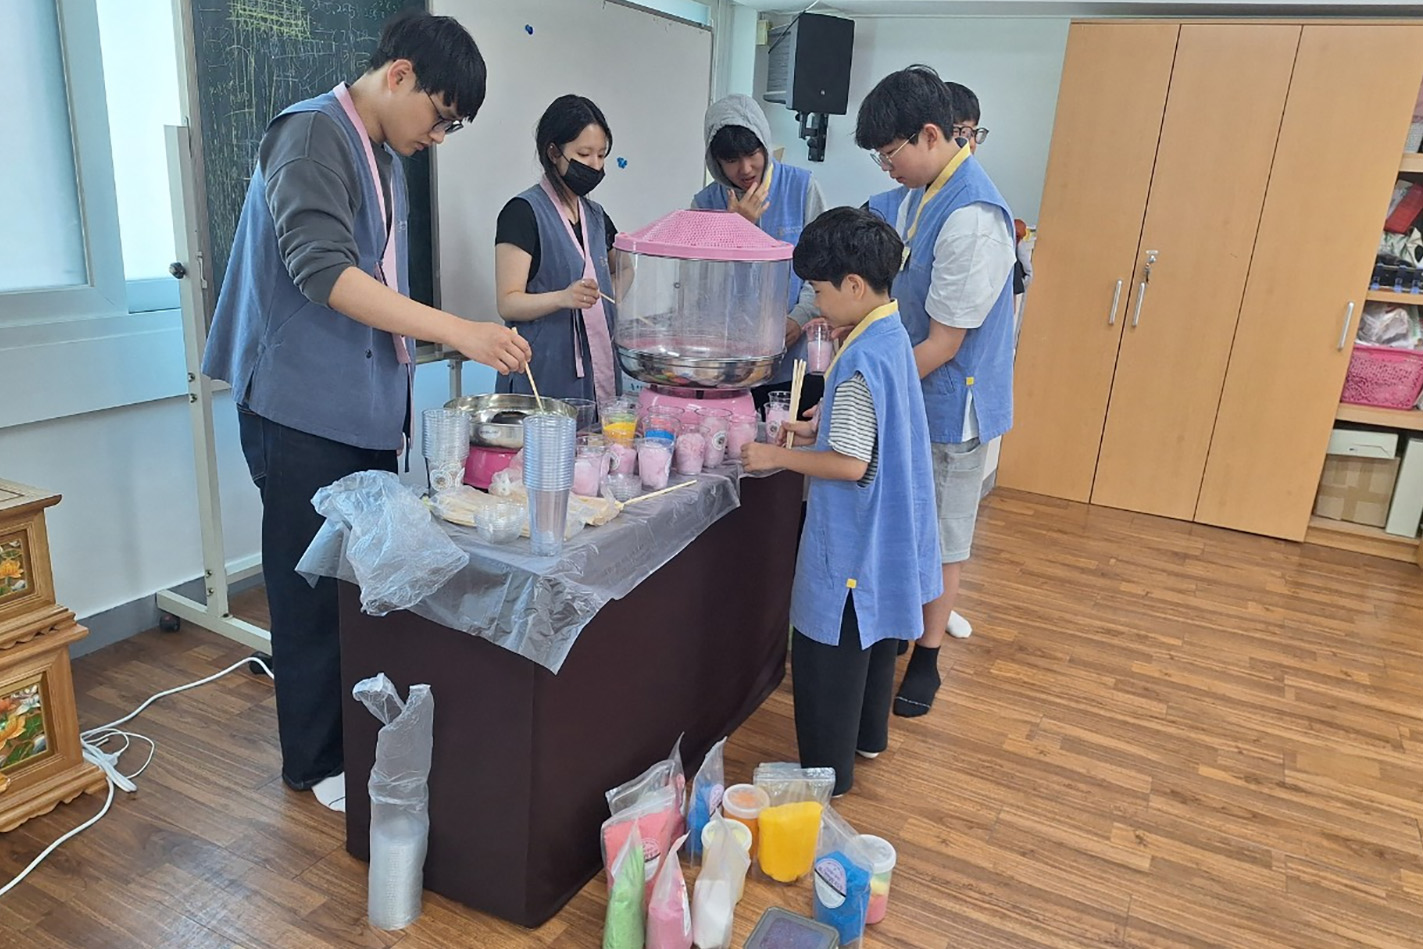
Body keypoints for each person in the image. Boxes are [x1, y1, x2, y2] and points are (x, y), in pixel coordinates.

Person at [202, 10, 531, 809]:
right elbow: (327, 275)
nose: (438, 136)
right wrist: (461, 331)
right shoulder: (311, 135)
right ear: (399, 75)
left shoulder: (381, 155)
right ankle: (314, 763)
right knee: (309, 592)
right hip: (300, 411)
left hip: (360, 409)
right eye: (440, 116)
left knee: (359, 587)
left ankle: (351, 739)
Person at [742, 208, 941, 797]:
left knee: (830, 656)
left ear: (853, 285)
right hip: (887, 537)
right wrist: (818, 429)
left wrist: (776, 455)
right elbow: (870, 432)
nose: (816, 305)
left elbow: (851, 463)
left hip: (852, 541)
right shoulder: (891, 335)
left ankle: (827, 775)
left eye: (820, 291)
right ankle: (868, 738)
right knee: (873, 644)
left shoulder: (857, 358)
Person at [855, 65, 1018, 718]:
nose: (886, 166)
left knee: (943, 536)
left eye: (889, 152)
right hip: (913, 386)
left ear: (929, 134)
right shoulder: (919, 193)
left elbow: (945, 343)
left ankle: (927, 659)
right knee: (904, 520)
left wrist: (868, 393)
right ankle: (902, 628)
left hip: (952, 399)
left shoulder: (973, 216)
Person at [692, 94, 826, 413]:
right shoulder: (704, 204)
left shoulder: (802, 187)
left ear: (764, 144)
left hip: (796, 364)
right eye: (731, 160)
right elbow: (701, 289)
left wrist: (799, 318)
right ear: (716, 161)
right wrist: (737, 231)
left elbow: (823, 267)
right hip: (728, 367)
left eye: (752, 154)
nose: (745, 168)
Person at [494, 95, 622, 406]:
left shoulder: (596, 215)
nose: (595, 165)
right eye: (584, 154)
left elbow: (624, 267)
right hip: (543, 369)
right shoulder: (522, 212)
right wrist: (564, 298)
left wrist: (611, 299)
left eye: (601, 155)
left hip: (597, 366)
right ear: (553, 152)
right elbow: (508, 303)